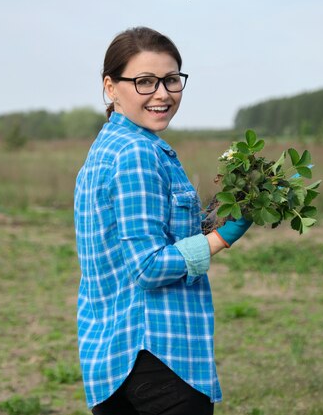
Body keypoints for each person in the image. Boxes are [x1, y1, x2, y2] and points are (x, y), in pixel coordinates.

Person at [74, 26, 252, 415]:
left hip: (111, 355)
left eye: (171, 80)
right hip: (156, 355)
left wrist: (212, 215)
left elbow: (152, 233)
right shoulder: (136, 153)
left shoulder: (111, 147)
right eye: (144, 81)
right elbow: (149, 266)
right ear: (110, 86)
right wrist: (223, 236)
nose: (163, 94)